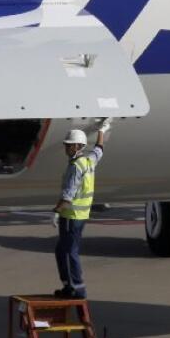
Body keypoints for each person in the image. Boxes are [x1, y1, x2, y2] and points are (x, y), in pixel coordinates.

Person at [52, 121, 108, 298]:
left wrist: (56, 212)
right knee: (62, 250)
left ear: (78, 146)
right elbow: (99, 150)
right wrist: (102, 131)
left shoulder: (76, 167)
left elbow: (68, 196)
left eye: (69, 145)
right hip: (81, 216)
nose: (66, 148)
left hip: (70, 216)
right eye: (66, 145)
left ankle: (77, 288)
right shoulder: (88, 161)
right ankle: (70, 285)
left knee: (68, 252)